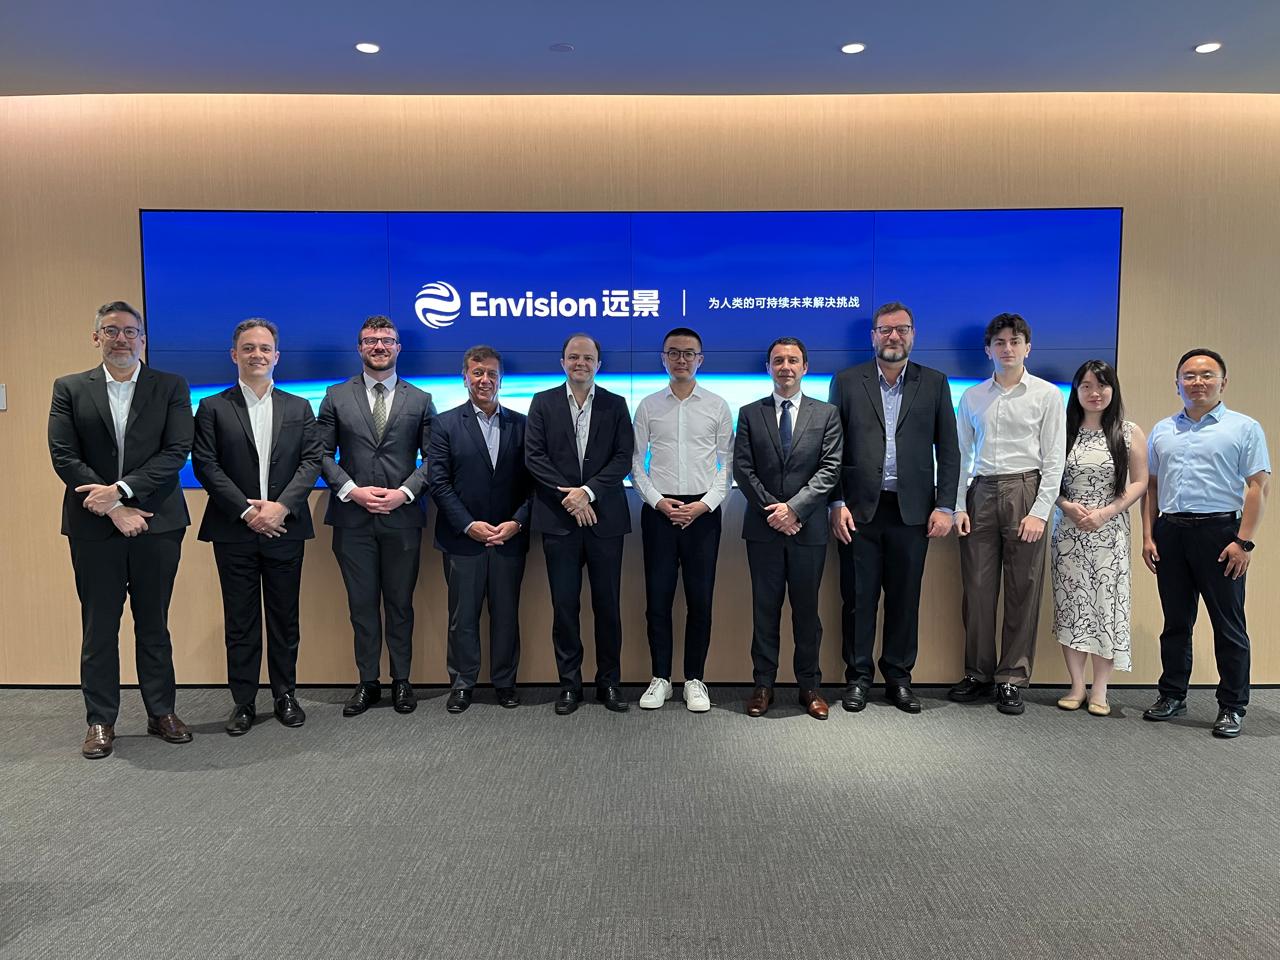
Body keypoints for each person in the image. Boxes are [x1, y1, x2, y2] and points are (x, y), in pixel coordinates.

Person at [48, 300, 195, 759]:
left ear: (143, 339)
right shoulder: (70, 388)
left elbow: (176, 451)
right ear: (96, 337)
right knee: (99, 627)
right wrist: (113, 508)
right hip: (93, 527)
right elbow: (63, 455)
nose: (121, 339)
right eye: (111, 331)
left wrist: (122, 491)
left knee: (154, 624)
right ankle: (100, 720)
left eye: (131, 331)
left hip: (157, 523)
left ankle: (161, 712)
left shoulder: (170, 386)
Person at [828, 302, 960, 714]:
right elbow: (833, 448)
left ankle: (899, 679)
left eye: (902, 329)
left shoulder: (934, 383)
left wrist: (945, 506)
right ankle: (858, 678)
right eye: (885, 329)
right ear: (873, 336)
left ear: (913, 335)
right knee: (858, 598)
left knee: (905, 598)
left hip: (913, 513)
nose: (893, 336)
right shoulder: (847, 381)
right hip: (858, 512)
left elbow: (949, 450)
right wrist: (836, 501)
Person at [191, 319, 322, 735]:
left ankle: (285, 695)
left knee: (285, 619)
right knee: (240, 621)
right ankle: (243, 701)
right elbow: (205, 465)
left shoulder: (299, 407)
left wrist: (281, 508)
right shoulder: (212, 407)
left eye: (265, 348)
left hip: (285, 528)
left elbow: (311, 461)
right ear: (235, 355)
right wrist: (248, 513)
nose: (257, 355)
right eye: (248, 348)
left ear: (276, 356)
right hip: (234, 531)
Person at [1141, 348, 1270, 738]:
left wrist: (1243, 543)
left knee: (1228, 625)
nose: (1198, 382)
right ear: (1177, 383)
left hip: (1221, 535)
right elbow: (1152, 486)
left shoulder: (1244, 427)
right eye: (1189, 376)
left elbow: (1258, 487)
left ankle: (1232, 705)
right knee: (1176, 622)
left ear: (1223, 382)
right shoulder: (1163, 430)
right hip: (1170, 532)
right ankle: (1172, 695)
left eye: (1207, 375)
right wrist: (1148, 535)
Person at [316, 315, 435, 717]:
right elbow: (320, 454)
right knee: (362, 606)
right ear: (360, 348)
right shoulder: (335, 396)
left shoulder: (420, 399)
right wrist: (352, 490)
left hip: (403, 519)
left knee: (400, 605)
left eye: (386, 340)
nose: (379, 346)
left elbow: (434, 459)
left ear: (398, 347)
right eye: (370, 340)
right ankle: (368, 682)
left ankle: (402, 681)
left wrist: (405, 493)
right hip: (353, 519)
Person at [950, 313, 1066, 715]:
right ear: (988, 350)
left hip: (1025, 491)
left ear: (1027, 348)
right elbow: (960, 456)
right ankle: (977, 674)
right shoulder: (972, 397)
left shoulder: (1047, 395)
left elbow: (1054, 458)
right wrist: (958, 505)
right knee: (977, 591)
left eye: (1015, 341)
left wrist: (1040, 511)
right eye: (999, 342)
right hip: (980, 492)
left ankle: (1012, 678)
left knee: (1023, 590)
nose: (1008, 348)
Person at [733, 336, 843, 719]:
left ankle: (809, 686)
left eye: (793, 360)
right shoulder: (750, 413)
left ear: (805, 367)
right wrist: (774, 512)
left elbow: (830, 469)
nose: (785, 367)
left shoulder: (826, 414)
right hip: (763, 530)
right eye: (778, 360)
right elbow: (743, 468)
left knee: (807, 612)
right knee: (764, 611)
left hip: (807, 530)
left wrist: (794, 510)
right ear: (768, 368)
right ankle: (763, 685)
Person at [524, 333, 635, 714]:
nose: (580, 363)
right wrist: (570, 499)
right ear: (562, 362)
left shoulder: (616, 405)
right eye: (573, 357)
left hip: (605, 521)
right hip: (559, 522)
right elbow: (534, 457)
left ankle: (609, 683)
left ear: (598, 364)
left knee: (608, 606)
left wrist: (587, 493)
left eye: (588, 358)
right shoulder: (542, 403)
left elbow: (623, 458)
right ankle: (569, 685)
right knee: (564, 607)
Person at [632, 327, 734, 713]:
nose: (681, 359)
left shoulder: (717, 406)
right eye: (673, 353)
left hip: (703, 516)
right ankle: (660, 677)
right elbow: (634, 463)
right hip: (659, 513)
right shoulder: (648, 406)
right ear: (663, 358)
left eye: (689, 353)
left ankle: (694, 679)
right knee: (657, 600)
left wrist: (704, 505)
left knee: (700, 600)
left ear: (700, 359)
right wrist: (658, 501)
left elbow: (728, 465)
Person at [428, 345, 533, 712]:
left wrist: (517, 522)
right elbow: (438, 483)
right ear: (465, 378)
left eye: (491, 374)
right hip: (462, 539)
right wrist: (468, 524)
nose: (484, 380)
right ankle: (463, 684)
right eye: (477, 373)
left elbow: (534, 484)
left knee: (506, 616)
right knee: (463, 617)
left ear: (501, 380)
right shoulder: (443, 424)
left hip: (508, 538)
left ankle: (505, 682)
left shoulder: (522, 424)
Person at [1050, 360, 1148, 716]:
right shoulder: (1062, 431)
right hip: (1069, 533)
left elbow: (1140, 482)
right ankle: (1077, 686)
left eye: (1102, 385)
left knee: (1106, 608)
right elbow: (1048, 479)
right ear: (1076, 391)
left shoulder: (1128, 431)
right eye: (1087, 386)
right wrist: (1066, 505)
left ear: (1113, 389)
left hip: (1110, 533)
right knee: (1072, 607)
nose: (1095, 393)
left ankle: (1101, 689)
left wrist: (1106, 512)